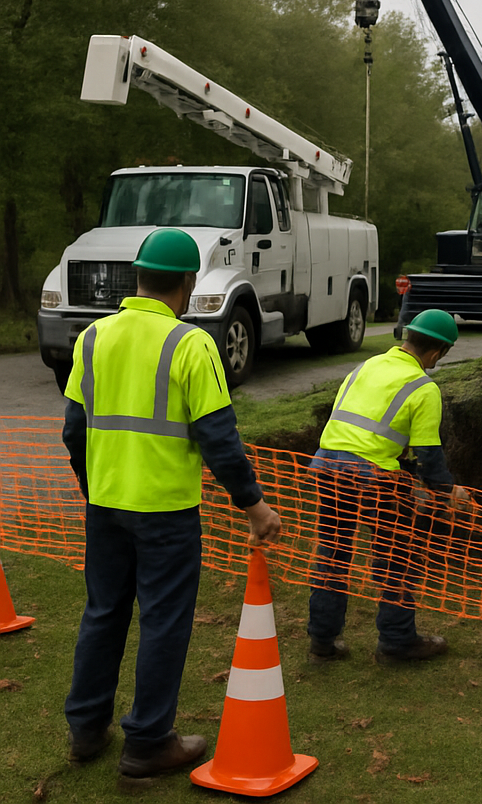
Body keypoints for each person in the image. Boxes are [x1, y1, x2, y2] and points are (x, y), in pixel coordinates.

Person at [62, 228, 282, 778]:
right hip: (165, 512)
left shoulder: (92, 338)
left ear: (137, 277)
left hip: (106, 506)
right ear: (187, 284)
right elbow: (219, 437)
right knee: (163, 622)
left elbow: (73, 430)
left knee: (103, 612)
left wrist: (97, 488)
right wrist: (254, 505)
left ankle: (86, 729)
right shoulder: (191, 344)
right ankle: (148, 742)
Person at [307, 308, 470, 664]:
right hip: (374, 479)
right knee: (395, 557)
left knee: (333, 553)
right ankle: (397, 641)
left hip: (327, 465)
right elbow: (429, 453)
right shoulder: (423, 388)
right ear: (437, 353)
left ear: (406, 337)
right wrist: (447, 492)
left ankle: (322, 641)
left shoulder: (367, 366)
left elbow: (362, 427)